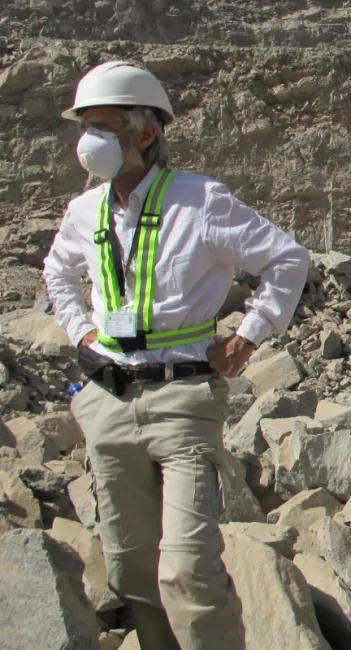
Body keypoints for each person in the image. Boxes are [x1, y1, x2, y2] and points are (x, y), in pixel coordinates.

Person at [42, 60, 310, 649]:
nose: (90, 142)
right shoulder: (85, 211)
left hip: (182, 400)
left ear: (145, 133)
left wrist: (248, 337)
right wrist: (81, 334)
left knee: (188, 569)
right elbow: (57, 274)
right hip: (107, 400)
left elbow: (287, 260)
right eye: (85, 126)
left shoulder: (201, 201)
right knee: (132, 572)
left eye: (104, 127)